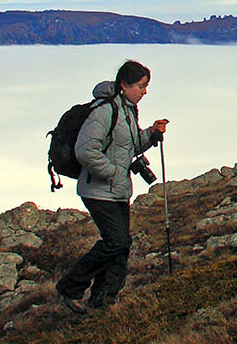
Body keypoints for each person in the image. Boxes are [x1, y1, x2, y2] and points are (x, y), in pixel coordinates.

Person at [56, 60, 168, 314]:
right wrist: (112, 173)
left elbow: (127, 148)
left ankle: (104, 299)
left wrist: (151, 134)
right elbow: (85, 150)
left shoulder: (128, 110)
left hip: (116, 190)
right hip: (97, 189)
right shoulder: (105, 111)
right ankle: (71, 287)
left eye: (146, 86)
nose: (144, 91)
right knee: (117, 241)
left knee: (121, 243)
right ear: (124, 85)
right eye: (141, 86)